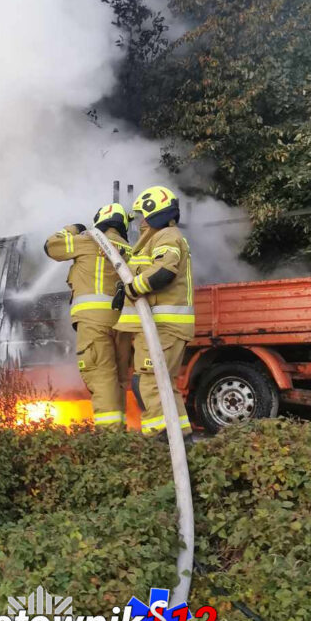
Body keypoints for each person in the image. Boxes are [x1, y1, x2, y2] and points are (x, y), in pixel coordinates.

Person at [114, 186, 194, 439]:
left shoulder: (166, 236)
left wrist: (133, 288)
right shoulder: (157, 238)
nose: (140, 221)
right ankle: (181, 439)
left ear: (154, 212)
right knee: (164, 386)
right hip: (162, 328)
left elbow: (164, 271)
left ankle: (160, 439)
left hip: (164, 327)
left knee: (148, 383)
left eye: (142, 215)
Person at [44, 204, 131, 429]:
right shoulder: (129, 248)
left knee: (101, 377)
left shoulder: (88, 241)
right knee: (119, 380)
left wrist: (73, 228)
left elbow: (52, 246)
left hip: (94, 323)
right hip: (124, 323)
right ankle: (119, 432)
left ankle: (110, 439)